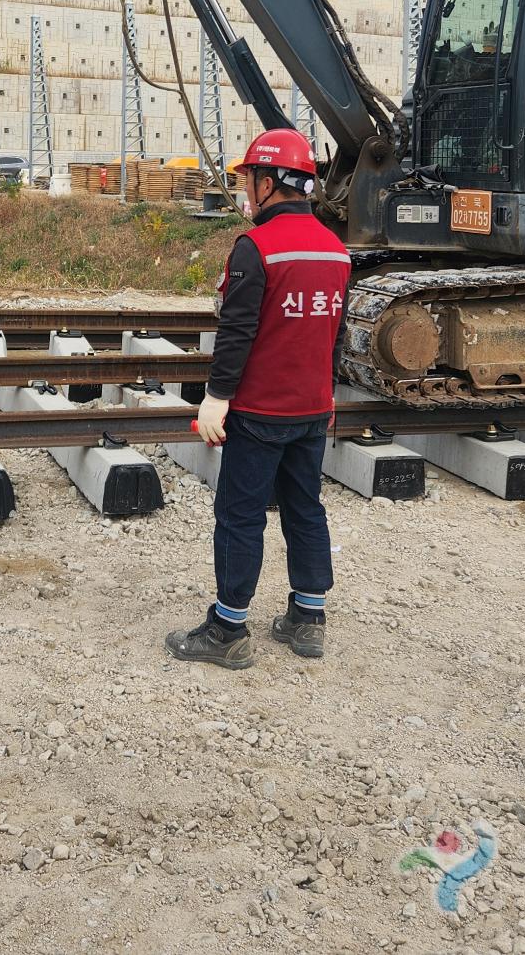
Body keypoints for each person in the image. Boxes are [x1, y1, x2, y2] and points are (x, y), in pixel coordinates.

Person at [166, 128, 351, 669]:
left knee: (241, 515)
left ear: (270, 182)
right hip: (313, 410)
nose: (246, 191)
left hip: (260, 411)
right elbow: (333, 335)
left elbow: (237, 332)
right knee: (305, 508)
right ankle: (307, 618)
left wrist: (215, 399)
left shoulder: (257, 248)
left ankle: (227, 628)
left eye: (249, 180)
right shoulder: (337, 252)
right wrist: (327, 395)